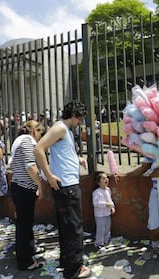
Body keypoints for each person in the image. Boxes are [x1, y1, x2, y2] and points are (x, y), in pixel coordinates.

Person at [34, 100, 91, 279]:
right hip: (67, 187)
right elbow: (38, 149)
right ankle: (74, 269)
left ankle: (67, 262)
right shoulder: (60, 128)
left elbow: (62, 152)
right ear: (74, 115)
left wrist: (77, 159)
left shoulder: (63, 130)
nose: (80, 122)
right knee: (74, 228)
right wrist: (49, 175)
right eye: (80, 119)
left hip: (66, 186)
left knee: (67, 226)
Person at [9, 120, 45, 271]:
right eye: (40, 132)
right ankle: (24, 260)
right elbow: (30, 166)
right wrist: (40, 185)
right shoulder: (26, 142)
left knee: (26, 222)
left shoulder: (20, 141)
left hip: (20, 186)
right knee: (24, 225)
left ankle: (29, 249)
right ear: (33, 131)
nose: (40, 136)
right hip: (24, 188)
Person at [92, 171, 115, 250]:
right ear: (98, 182)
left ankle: (106, 240)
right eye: (103, 178)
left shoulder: (108, 190)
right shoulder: (96, 192)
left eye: (106, 178)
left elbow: (110, 199)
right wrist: (105, 204)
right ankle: (99, 243)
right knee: (101, 228)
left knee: (107, 227)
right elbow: (96, 203)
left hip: (107, 213)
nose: (106, 180)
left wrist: (112, 206)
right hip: (100, 214)